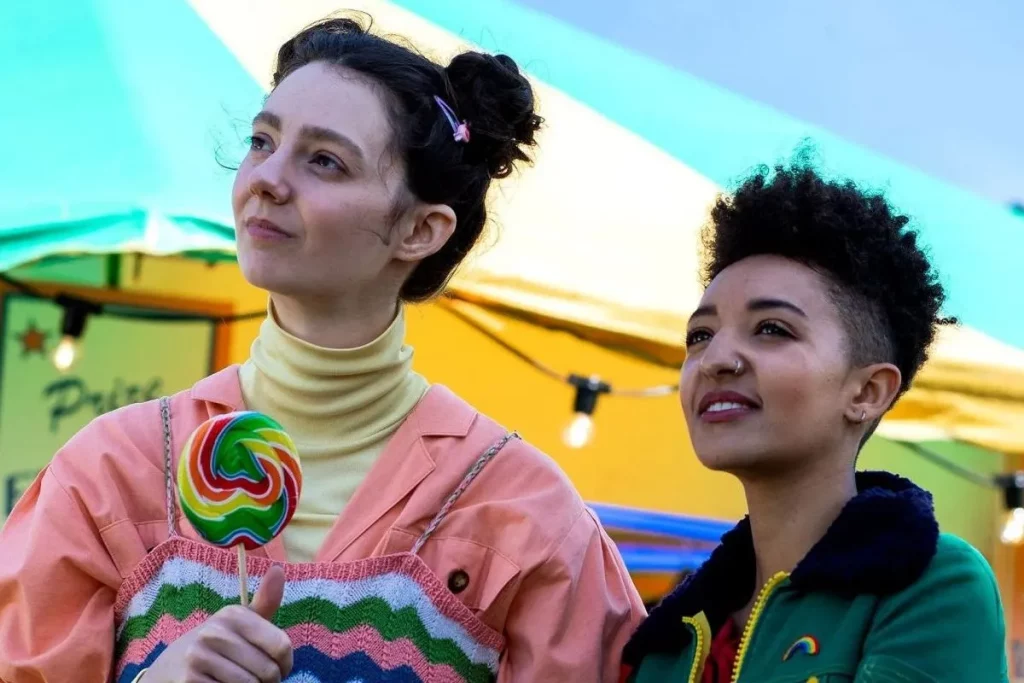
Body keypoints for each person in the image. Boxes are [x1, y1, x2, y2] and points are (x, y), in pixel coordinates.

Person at [0, 16, 645, 683]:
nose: (267, 179)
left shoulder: (526, 516)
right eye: (261, 141)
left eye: (324, 161)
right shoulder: (109, 473)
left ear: (421, 229)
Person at [620, 156, 1009, 682]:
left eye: (772, 329)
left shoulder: (931, 585)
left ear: (867, 391)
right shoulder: (666, 640)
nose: (715, 359)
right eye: (700, 335)